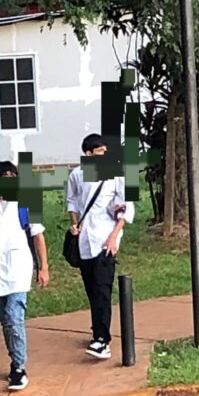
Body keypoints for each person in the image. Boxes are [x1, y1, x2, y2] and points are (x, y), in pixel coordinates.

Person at [0, 160, 50, 391]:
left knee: (14, 318)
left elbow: (38, 236)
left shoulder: (26, 203)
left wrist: (44, 267)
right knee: (6, 322)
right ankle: (15, 358)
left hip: (19, 271)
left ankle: (19, 368)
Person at [66, 133, 134, 359]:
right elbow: (72, 201)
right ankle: (97, 331)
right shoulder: (77, 174)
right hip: (85, 239)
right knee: (92, 290)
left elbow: (126, 205)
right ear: (88, 154)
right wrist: (75, 224)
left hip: (105, 239)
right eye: (99, 152)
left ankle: (102, 340)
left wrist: (114, 237)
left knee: (103, 290)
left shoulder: (115, 174)